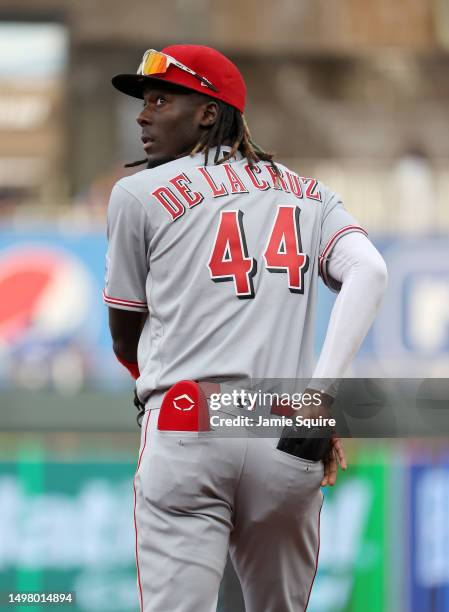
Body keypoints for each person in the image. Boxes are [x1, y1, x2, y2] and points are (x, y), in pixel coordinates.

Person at [104, 45, 388, 612]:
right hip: (280, 420)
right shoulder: (311, 193)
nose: (143, 115)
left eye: (161, 99)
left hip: (189, 416)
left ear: (209, 113)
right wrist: (317, 398)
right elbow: (370, 270)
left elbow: (123, 335)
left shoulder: (137, 195)